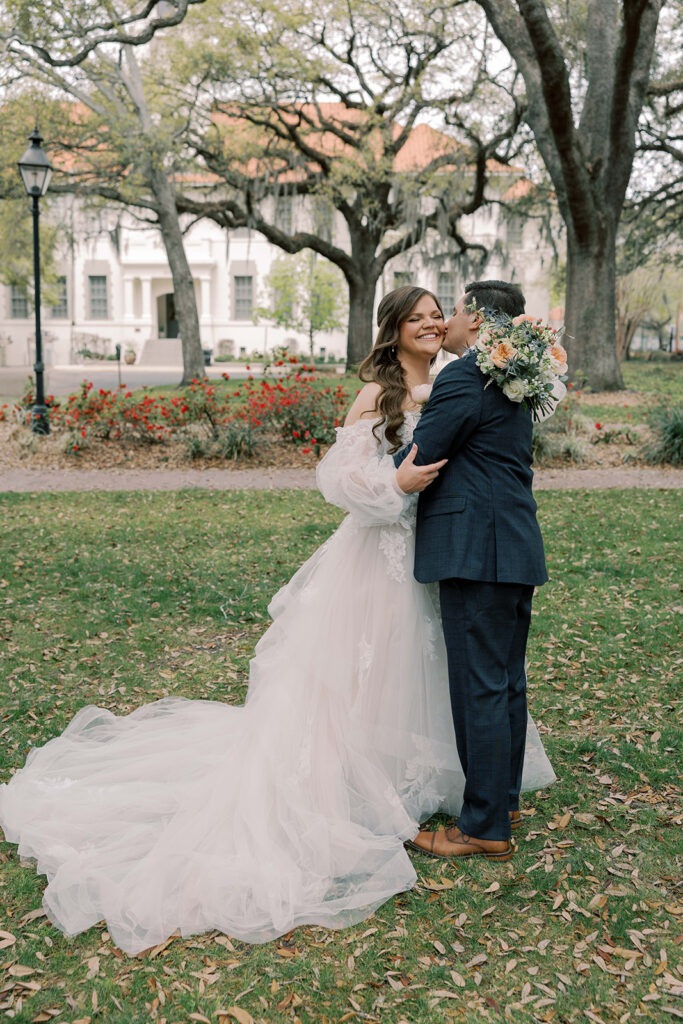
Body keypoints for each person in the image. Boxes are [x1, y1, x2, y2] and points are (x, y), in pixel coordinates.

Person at [0, 286, 555, 956]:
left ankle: (471, 797)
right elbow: (342, 480)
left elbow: (465, 440)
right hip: (385, 552)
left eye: (440, 313)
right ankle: (401, 786)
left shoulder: (461, 381)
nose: (433, 323)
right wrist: (395, 488)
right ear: (394, 330)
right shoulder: (380, 393)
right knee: (383, 668)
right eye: (418, 317)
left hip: (443, 550)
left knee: (438, 670)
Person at [394, 280, 554, 862]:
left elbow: (426, 453)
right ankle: (501, 800)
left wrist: (375, 459)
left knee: (480, 689)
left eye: (456, 309)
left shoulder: (465, 375)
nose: (450, 320)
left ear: (477, 318)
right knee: (506, 683)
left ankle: (483, 826)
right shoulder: (519, 380)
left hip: (475, 551)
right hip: (513, 546)